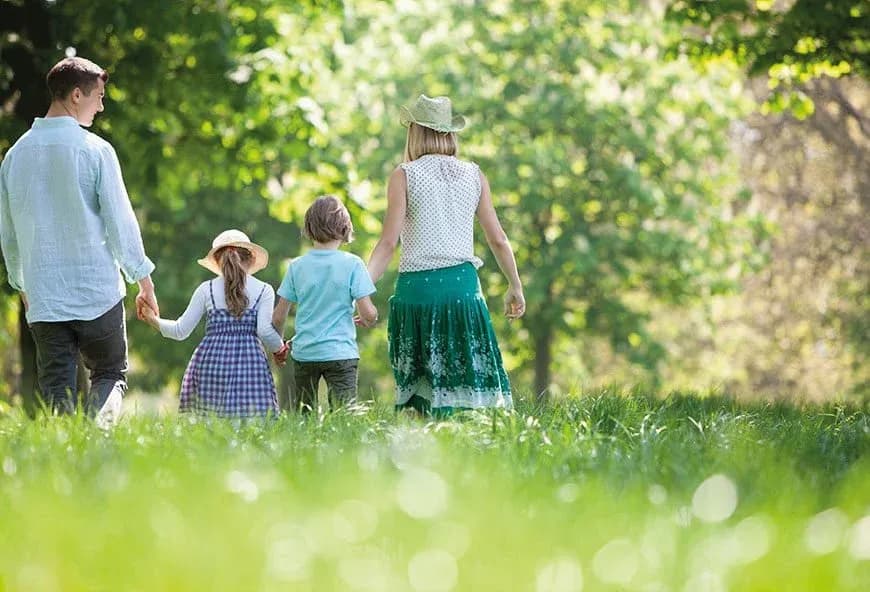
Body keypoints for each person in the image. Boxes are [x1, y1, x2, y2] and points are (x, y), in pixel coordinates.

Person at [0, 56, 158, 423]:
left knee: (56, 387)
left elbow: (9, 233)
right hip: (96, 292)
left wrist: (22, 284)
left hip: (45, 297)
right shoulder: (96, 150)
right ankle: (98, 436)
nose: (101, 106)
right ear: (75, 95)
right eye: (98, 97)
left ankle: (64, 461)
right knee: (108, 374)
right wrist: (143, 281)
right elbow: (121, 222)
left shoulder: (14, 158)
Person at [367, 94, 525, 416]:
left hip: (417, 292)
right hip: (462, 291)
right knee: (468, 393)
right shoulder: (475, 175)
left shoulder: (404, 175)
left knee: (420, 403)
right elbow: (497, 239)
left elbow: (387, 244)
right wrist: (515, 285)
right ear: (449, 132)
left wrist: (362, 290)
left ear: (415, 132)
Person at [141, 229, 286, 418]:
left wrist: (153, 319)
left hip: (211, 364)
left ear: (217, 261)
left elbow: (180, 330)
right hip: (250, 367)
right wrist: (279, 350)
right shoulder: (264, 290)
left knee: (210, 424)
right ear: (251, 258)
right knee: (252, 423)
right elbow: (265, 331)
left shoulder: (206, 290)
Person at [272, 195, 378, 413]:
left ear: (309, 228)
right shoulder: (353, 264)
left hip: (305, 353)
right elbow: (367, 312)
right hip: (341, 353)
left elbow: (278, 317)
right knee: (344, 414)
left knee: (305, 414)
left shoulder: (297, 267)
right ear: (344, 228)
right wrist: (369, 319)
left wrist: (279, 346)